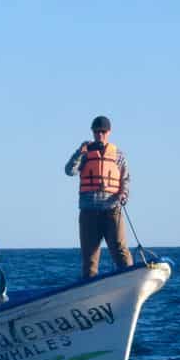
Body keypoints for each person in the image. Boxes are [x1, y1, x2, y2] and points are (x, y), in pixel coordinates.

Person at [64, 115, 133, 278]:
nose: (99, 135)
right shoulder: (85, 153)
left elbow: (126, 178)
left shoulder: (118, 154)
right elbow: (69, 171)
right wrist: (79, 154)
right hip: (89, 213)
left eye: (103, 131)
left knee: (120, 250)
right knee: (90, 259)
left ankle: (129, 279)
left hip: (112, 210)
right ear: (92, 132)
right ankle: (91, 292)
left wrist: (124, 194)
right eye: (96, 132)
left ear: (109, 132)